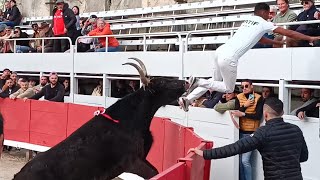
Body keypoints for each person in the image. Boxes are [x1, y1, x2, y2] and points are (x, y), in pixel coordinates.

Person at [178, 3, 320, 112]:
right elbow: (290, 33)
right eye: (269, 13)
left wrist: (277, 42)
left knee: (215, 81)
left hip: (220, 51)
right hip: (229, 57)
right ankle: (197, 80)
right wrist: (310, 37)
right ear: (263, 12)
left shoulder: (248, 20)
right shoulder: (264, 23)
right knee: (228, 88)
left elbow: (259, 39)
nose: (270, 16)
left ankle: (187, 99)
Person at [188, 97, 308, 180]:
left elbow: (235, 148)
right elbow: (304, 157)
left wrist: (205, 154)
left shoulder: (263, 133)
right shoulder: (296, 129)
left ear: (265, 115)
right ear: (282, 112)